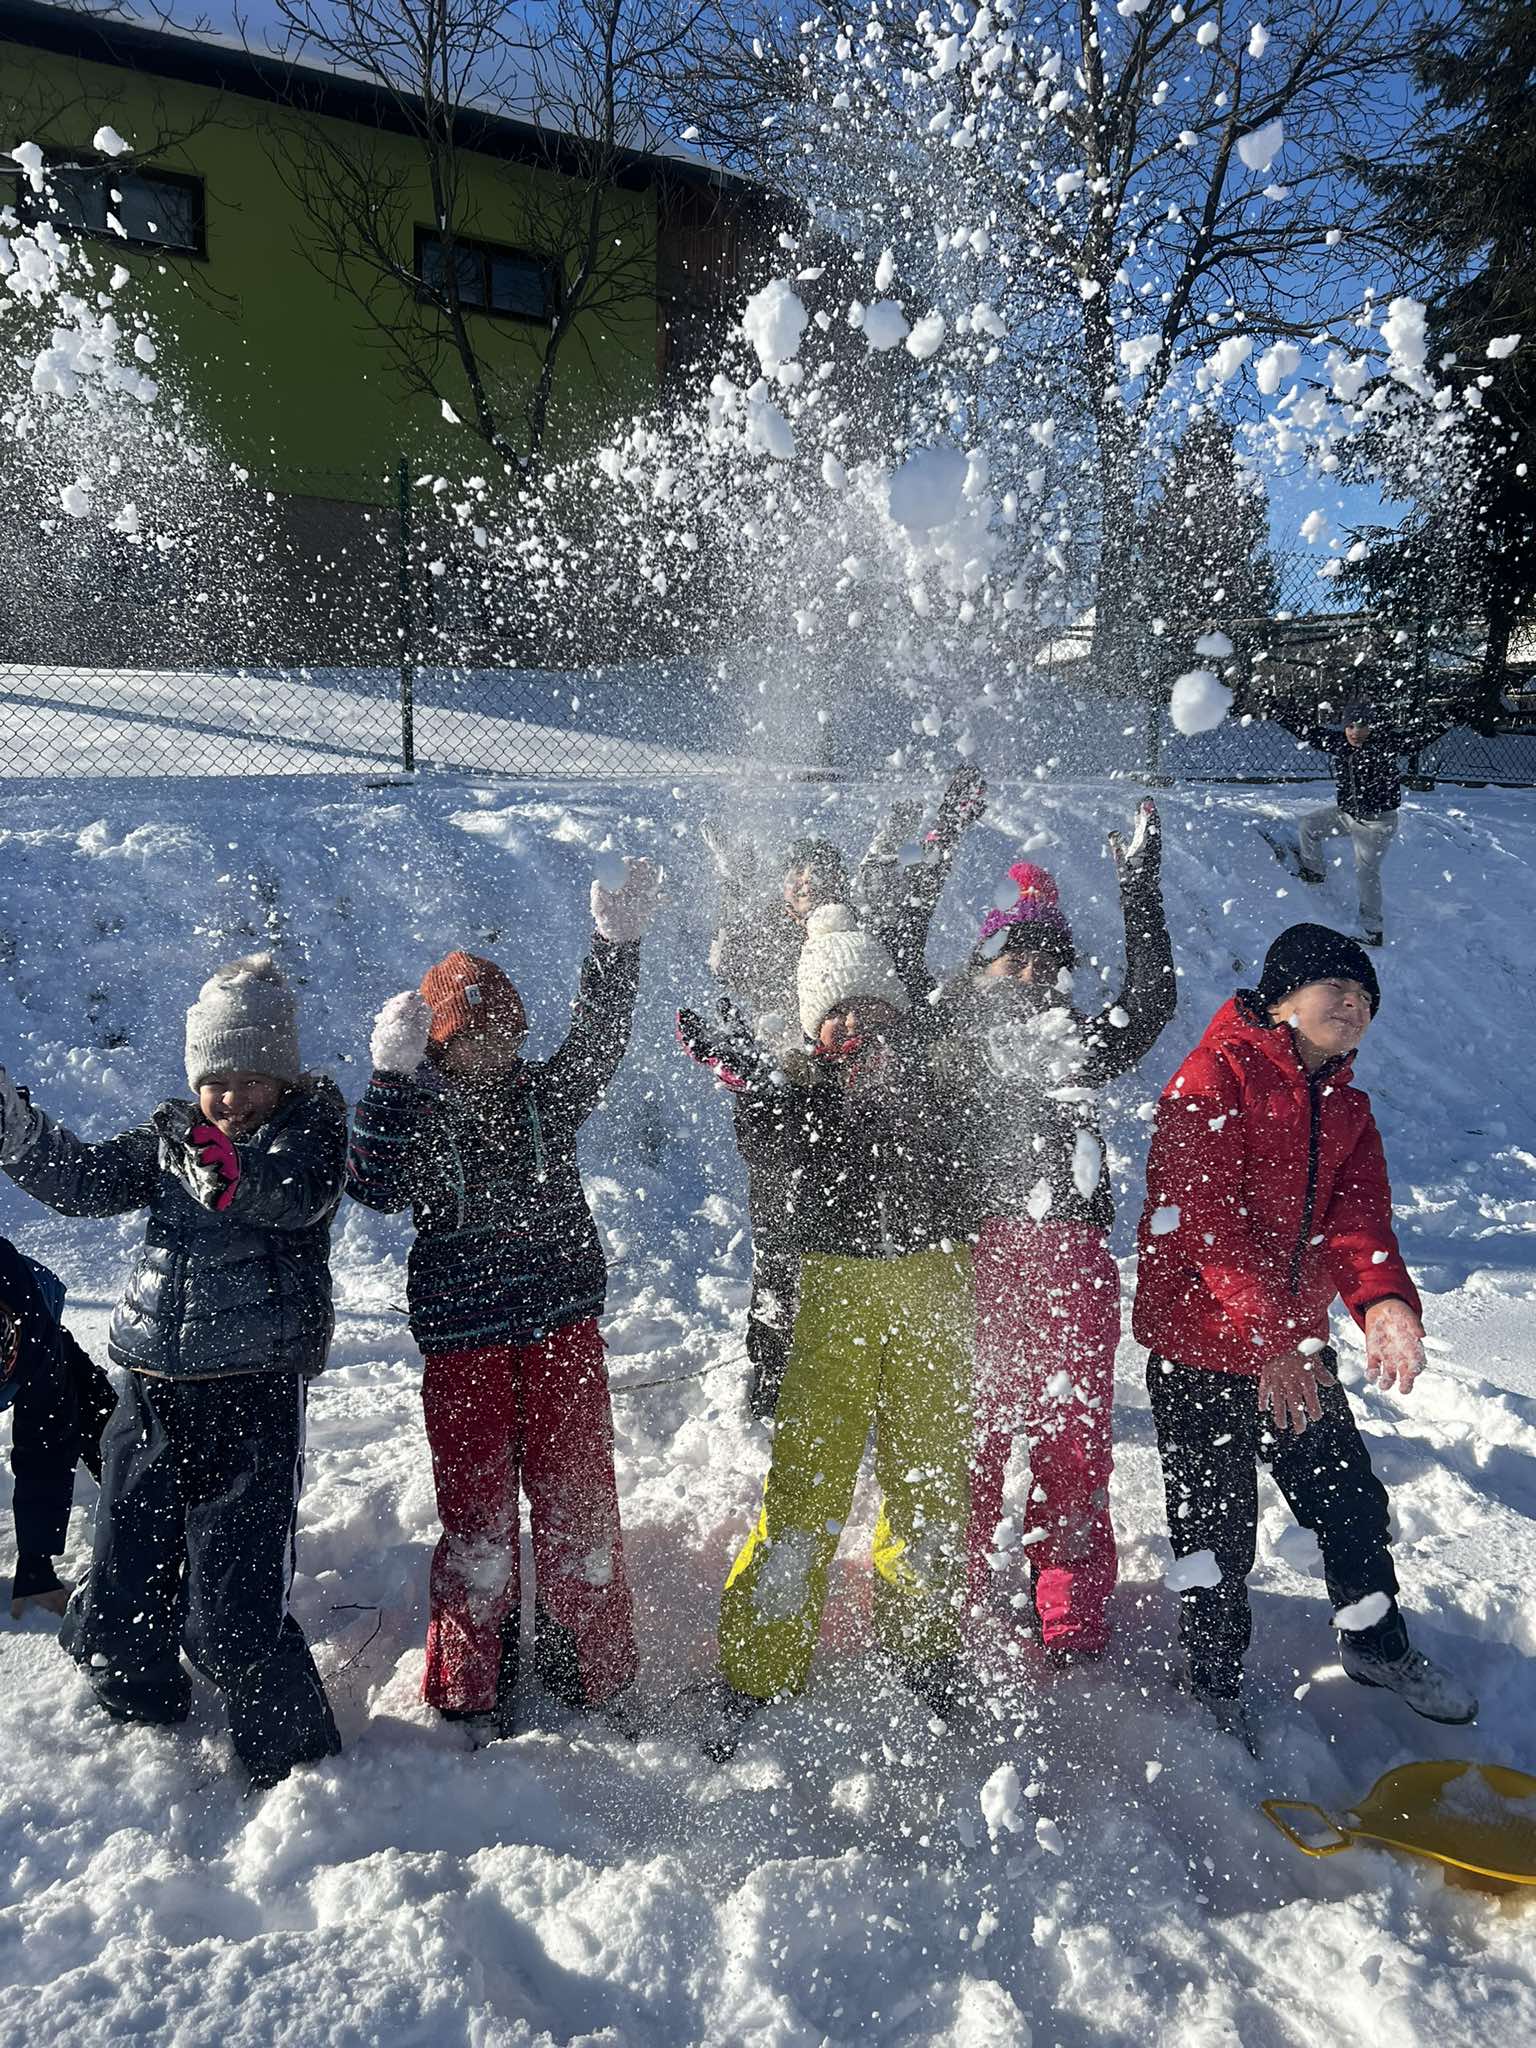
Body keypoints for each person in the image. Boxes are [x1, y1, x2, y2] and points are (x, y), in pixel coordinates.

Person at [0, 954, 346, 1788]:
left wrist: (227, 1171)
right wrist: (15, 1131)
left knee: (231, 1610)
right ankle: (137, 1709)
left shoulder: (309, 1133)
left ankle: (298, 1760)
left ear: (282, 1077)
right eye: (214, 1081)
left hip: (250, 1398)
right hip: (150, 1390)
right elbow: (82, 1182)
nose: (230, 1099)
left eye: (250, 1080)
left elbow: (291, 1194)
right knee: (124, 1576)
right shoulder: (170, 1139)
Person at [1133, 922, 1476, 1750]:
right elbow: (1202, 1225)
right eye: (1338, 991)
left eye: (1367, 998)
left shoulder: (1349, 1109)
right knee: (1215, 1529)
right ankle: (1213, 1675)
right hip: (1203, 1352)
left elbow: (1359, 1226)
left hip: (1292, 1352)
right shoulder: (1212, 1077)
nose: (1355, 1006)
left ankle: (1374, 1642)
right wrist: (1271, 1340)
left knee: (1348, 1498)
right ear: (1284, 1000)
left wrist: (1385, 1302)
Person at [346, 861, 659, 1738]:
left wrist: (615, 947)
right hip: (464, 1349)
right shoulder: (422, 1117)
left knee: (579, 1510)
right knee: (478, 1524)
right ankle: (472, 1678)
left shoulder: (544, 1100)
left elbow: (598, 1041)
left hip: (561, 1332)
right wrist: (387, 1082)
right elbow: (368, 1184)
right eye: (475, 1037)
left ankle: (586, 1661)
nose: (497, 1049)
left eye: (508, 1031)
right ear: (440, 1047)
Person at [703, 903, 976, 1756]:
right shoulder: (803, 1090)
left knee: (930, 1472)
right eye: (836, 1012)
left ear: (898, 1007)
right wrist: (761, 1089)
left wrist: (912, 1095)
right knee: (808, 1481)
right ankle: (760, 1661)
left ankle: (923, 1642)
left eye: (871, 1006)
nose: (856, 1024)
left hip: (935, 1283)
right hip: (836, 1292)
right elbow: (773, 1148)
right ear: (815, 1029)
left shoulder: (938, 1075)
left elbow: (975, 1147)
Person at [937, 800, 1174, 1657]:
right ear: (981, 968)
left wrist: (1139, 888)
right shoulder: (950, 1039)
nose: (1033, 973)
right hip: (976, 1264)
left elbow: (1149, 1003)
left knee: (1072, 1447)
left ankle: (1068, 1606)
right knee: (968, 1439)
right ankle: (950, 1597)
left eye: (1049, 961)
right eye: (1014, 959)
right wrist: (934, 846)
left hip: (1071, 1265)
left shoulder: (1077, 1043)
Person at [702, 767, 987, 1418]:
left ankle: (866, 1376)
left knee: (854, 1243)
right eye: (795, 874)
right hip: (786, 1114)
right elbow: (728, 958)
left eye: (821, 874)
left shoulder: (869, 950)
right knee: (780, 1246)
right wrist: (732, 877)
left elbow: (914, 896)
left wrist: (935, 833)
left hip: (854, 1122)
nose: (807, 883)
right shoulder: (771, 942)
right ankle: (770, 1371)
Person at [1, 1236, 117, 1618]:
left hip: (37, 1315)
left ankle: (149, 1515)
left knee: (101, 1422)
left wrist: (35, 1565)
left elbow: (45, 1448)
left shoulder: (35, 1339)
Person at [1275, 698, 1451, 946]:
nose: (1356, 733)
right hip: (1347, 815)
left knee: (1366, 873)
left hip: (1377, 823)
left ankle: (1372, 929)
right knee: (1309, 825)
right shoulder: (1340, 744)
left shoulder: (1384, 744)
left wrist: (1445, 721)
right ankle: (1314, 872)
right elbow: (1310, 733)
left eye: (1362, 726)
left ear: (1372, 728)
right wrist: (1283, 712)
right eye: (1350, 727)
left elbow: (1416, 740)